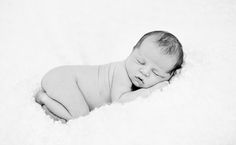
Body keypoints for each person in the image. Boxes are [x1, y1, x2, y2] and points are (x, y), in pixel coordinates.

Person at [35, 30, 184, 123]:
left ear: (168, 77)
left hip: (64, 79)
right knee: (80, 117)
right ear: (132, 51)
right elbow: (120, 101)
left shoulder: (136, 76)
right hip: (65, 79)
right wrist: (151, 90)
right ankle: (45, 98)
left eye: (156, 73)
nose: (145, 71)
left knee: (79, 115)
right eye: (140, 61)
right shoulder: (121, 72)